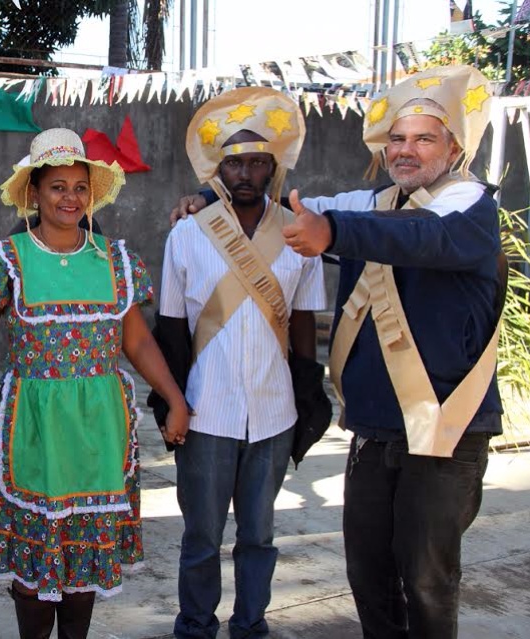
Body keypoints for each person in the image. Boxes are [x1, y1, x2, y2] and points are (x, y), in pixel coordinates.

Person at [178, 65, 504, 638]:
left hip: (446, 429)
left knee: (426, 578)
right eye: (397, 139)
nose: (406, 151)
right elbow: (290, 207)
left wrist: (335, 231)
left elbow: (422, 237)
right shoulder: (372, 200)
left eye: (425, 138)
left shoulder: (469, 203)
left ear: (455, 147)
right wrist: (211, 195)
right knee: (369, 571)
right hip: (376, 427)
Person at [0, 128, 190, 639]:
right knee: (35, 560)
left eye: (79, 187)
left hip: (100, 428)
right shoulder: (6, 260)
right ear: (35, 194)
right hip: (32, 427)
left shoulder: (115, 260)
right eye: (57, 186)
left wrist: (174, 397)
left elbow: (138, 343)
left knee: (83, 560)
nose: (70, 197)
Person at [153, 88, 326, 639]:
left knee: (259, 535)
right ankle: (195, 626)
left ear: (273, 165)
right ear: (217, 168)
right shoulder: (187, 233)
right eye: (234, 161)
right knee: (201, 536)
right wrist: (173, 404)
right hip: (206, 412)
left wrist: (307, 396)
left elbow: (302, 323)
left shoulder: (301, 232)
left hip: (274, 412)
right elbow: (172, 331)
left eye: (257, 161)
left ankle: (250, 624)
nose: (246, 172)